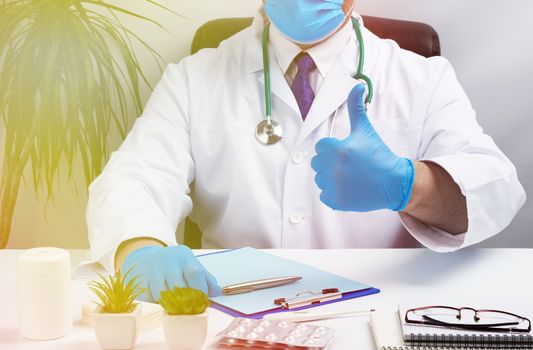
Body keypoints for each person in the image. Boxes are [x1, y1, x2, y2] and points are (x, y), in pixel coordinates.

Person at [86, 0, 525, 301]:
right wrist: (139, 248)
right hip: (231, 310)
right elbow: (134, 179)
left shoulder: (423, 77)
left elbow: (498, 191)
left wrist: (411, 185)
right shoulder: (194, 78)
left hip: (377, 309)